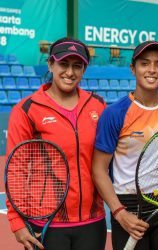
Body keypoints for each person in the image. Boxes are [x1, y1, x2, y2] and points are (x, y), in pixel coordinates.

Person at [5, 37, 107, 250]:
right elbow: (16, 169)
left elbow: (107, 161)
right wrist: (16, 222)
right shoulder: (26, 110)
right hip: (45, 222)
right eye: (63, 64)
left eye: (77, 66)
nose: (70, 72)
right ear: (50, 64)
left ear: (84, 70)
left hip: (92, 220)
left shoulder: (97, 105)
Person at [92, 41, 158, 250]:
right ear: (133, 68)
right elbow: (98, 169)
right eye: (145, 63)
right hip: (129, 205)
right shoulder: (115, 114)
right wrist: (119, 212)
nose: (152, 70)